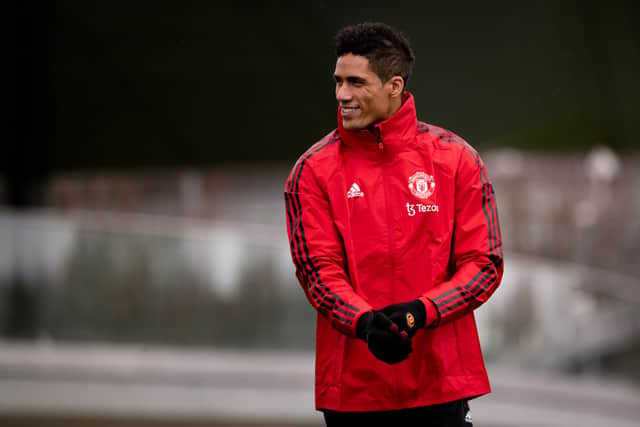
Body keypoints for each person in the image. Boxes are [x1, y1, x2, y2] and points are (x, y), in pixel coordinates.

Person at [284, 22, 503, 427]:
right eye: (338, 82)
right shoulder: (311, 171)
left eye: (355, 82)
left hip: (440, 384)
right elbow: (318, 272)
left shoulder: (458, 160)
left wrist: (423, 312)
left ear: (394, 85)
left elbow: (484, 265)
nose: (341, 95)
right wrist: (365, 324)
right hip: (353, 393)